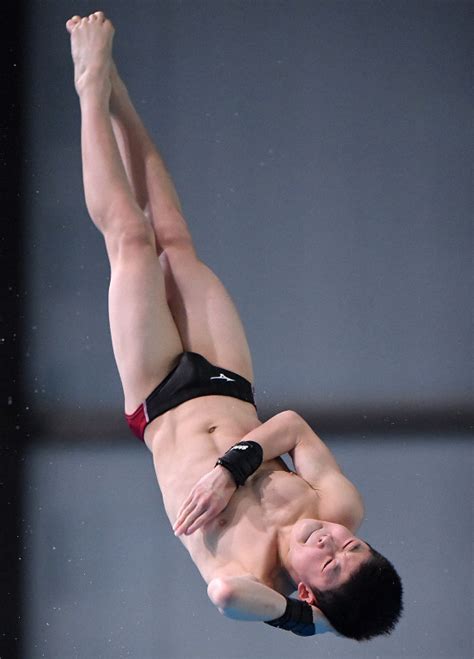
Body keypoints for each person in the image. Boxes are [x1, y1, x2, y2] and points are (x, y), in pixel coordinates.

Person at [66, 12, 403, 641]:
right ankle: (119, 99)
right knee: (175, 239)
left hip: (159, 399)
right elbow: (295, 426)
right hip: (229, 382)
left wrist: (311, 625)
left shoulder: (244, 571)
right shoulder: (336, 506)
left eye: (328, 561)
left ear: (306, 592)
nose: (330, 537)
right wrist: (233, 468)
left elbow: (224, 595)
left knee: (133, 244)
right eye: (352, 546)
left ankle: (89, 87)